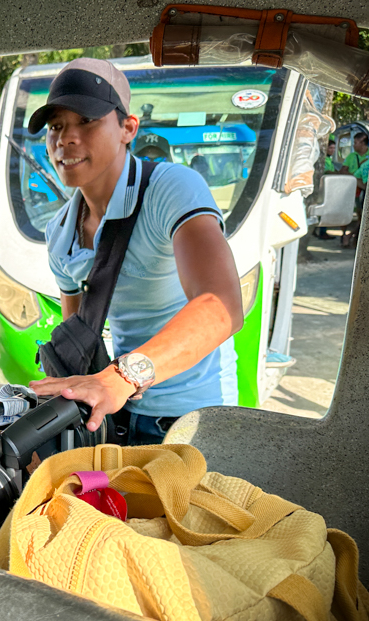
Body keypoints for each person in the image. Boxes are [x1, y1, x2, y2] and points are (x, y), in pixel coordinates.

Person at [27, 58, 243, 444]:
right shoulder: (59, 231)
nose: (66, 138)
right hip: (117, 414)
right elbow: (80, 334)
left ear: (128, 128)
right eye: (56, 126)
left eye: (86, 121)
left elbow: (221, 307)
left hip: (191, 419)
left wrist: (122, 377)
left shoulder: (172, 189)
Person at [341, 132, 369, 248]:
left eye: (356, 143)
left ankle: (351, 238)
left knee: (363, 217)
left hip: (364, 191)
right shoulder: (351, 156)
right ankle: (347, 236)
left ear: (363, 143)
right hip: (355, 190)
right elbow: (343, 171)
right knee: (360, 216)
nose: (354, 145)